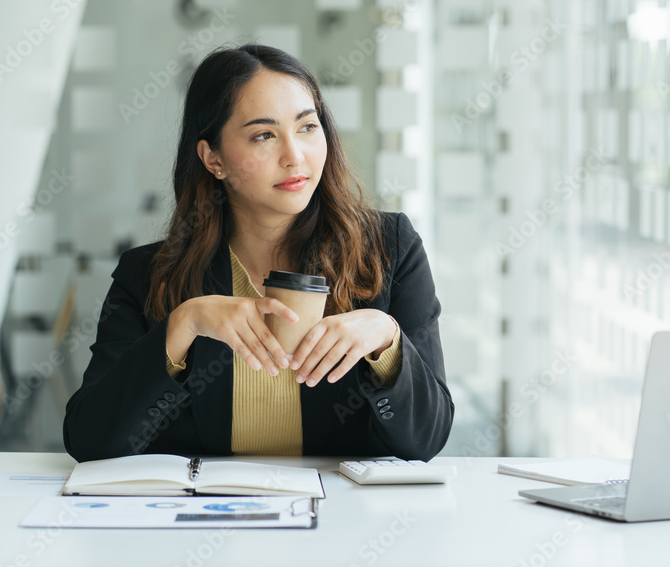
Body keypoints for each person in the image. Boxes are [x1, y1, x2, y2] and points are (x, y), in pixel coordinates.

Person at [63, 44, 453, 462]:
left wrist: (386, 340)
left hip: (344, 520)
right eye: (263, 135)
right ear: (213, 159)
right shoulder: (148, 275)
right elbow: (91, 440)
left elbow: (426, 440)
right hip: (200, 520)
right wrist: (184, 324)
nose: (295, 156)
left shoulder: (389, 248)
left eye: (307, 127)